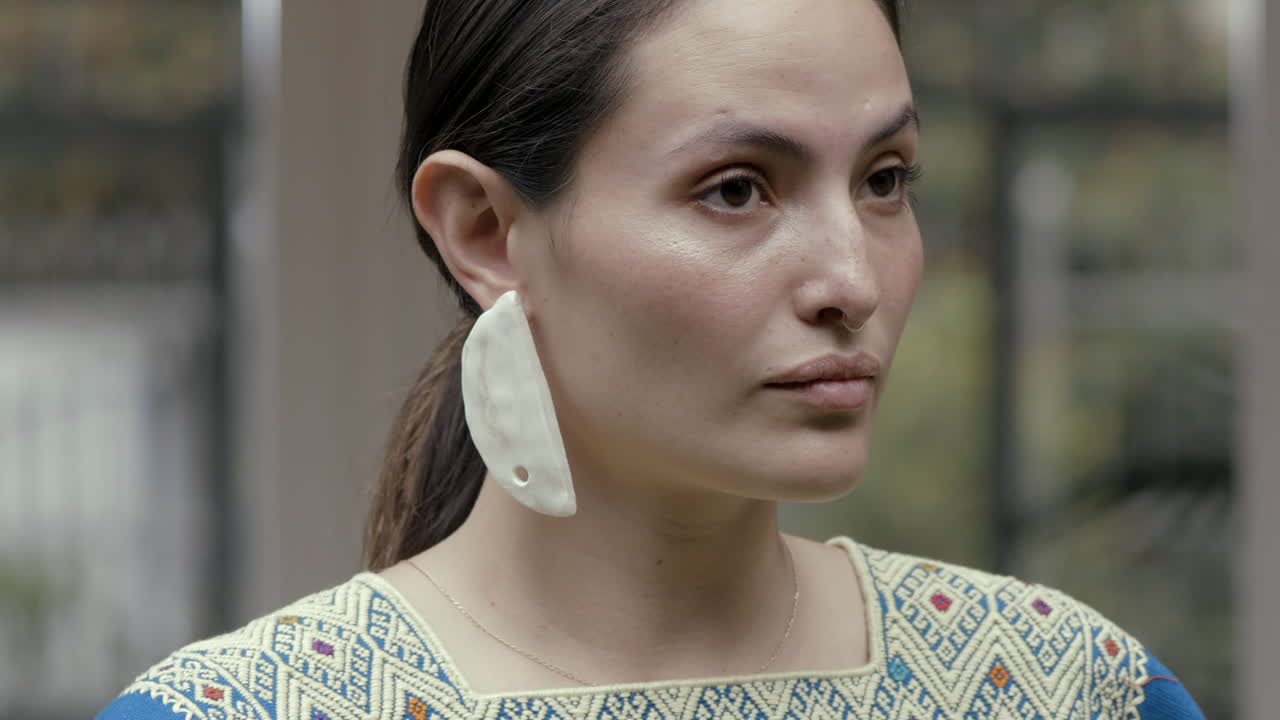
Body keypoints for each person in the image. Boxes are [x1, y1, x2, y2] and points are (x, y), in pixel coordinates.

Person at [96, 0, 1207, 717]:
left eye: (884, 179)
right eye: (736, 189)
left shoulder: (1059, 690)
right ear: (484, 230)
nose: (853, 281)